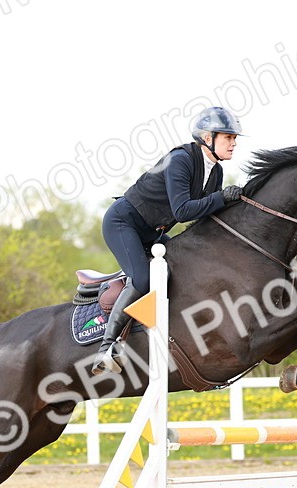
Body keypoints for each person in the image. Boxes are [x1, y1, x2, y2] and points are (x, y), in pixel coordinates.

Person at [91, 106, 245, 375]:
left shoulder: (216, 172)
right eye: (228, 137)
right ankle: (107, 347)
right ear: (207, 138)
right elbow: (183, 211)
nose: (233, 144)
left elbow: (209, 215)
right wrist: (222, 198)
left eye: (234, 139)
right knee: (143, 280)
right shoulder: (181, 160)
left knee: (183, 268)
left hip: (153, 231)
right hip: (123, 223)